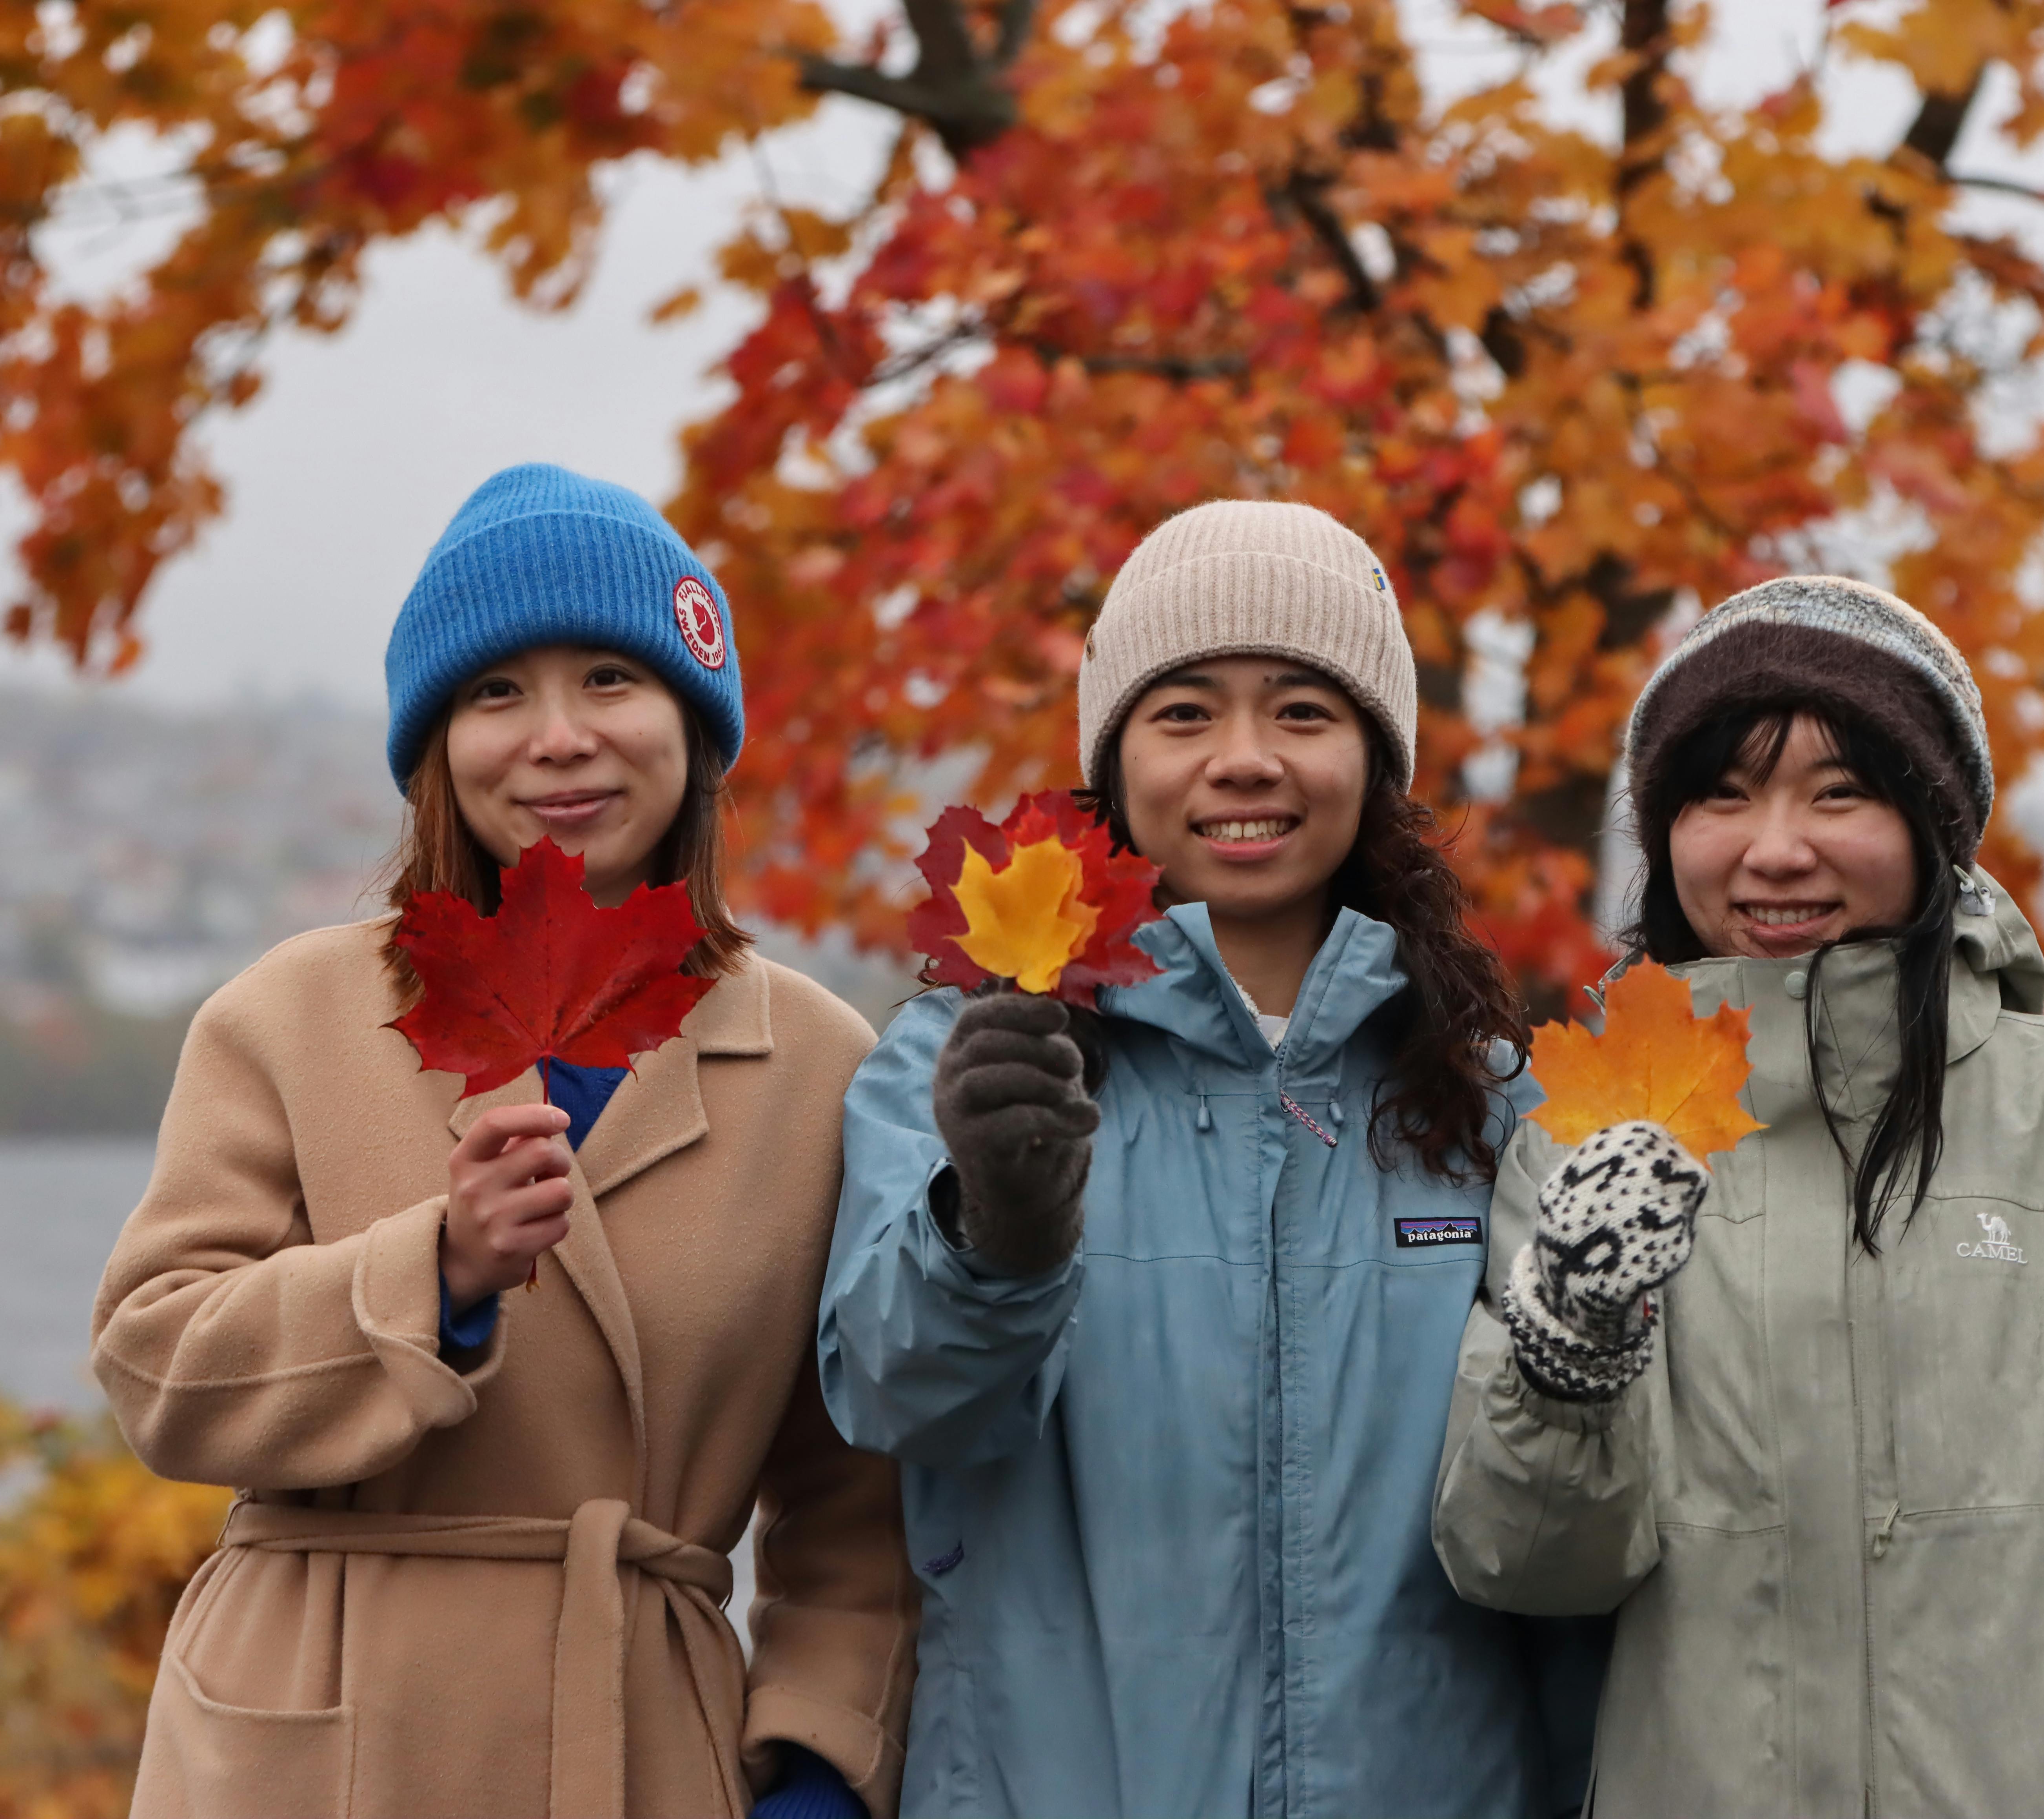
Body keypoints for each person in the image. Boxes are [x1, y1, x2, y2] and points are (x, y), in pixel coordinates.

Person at [92, 465, 914, 1819]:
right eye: (495, 693)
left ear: (695, 725)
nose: (558, 738)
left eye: (611, 679)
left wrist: (814, 1774)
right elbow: (157, 1372)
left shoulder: (821, 1065)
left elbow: (857, 1510)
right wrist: (439, 1274)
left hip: (645, 1739)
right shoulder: (289, 1016)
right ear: (435, 747)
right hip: (312, 1736)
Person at [1431, 576, 2044, 1818]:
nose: (1775, 848)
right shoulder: (1584, 1145)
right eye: (1720, 796)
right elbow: (1531, 1573)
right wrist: (1569, 1359)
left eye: (1840, 793)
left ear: (1935, 827)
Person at [819, 501, 1602, 1818]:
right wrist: (997, 1237)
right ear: (1114, 763)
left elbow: (1564, 1528)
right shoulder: (969, 1060)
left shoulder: (1487, 1105)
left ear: (1376, 758)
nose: (1245, 761)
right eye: (1184, 713)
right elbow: (897, 1401)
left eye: (1304, 711)